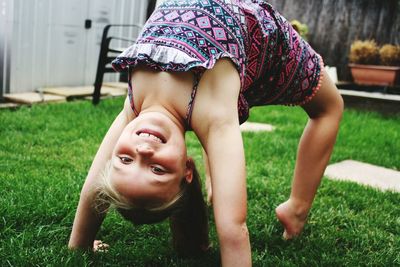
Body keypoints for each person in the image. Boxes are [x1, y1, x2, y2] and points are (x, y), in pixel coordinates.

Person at [69, 0, 343, 266]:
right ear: (187, 170)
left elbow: (94, 186)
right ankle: (295, 210)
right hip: (266, 43)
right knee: (329, 107)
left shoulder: (134, 106)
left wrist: (80, 245)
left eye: (125, 160)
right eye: (157, 170)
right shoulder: (212, 114)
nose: (142, 150)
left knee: (220, 132)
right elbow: (233, 229)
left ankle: (216, 185)